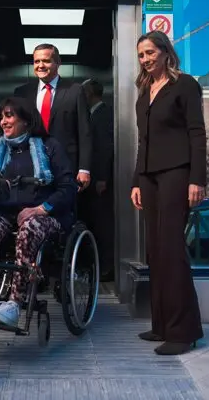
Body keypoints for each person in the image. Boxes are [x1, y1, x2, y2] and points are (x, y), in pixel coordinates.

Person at [130, 30, 207, 356]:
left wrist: (197, 179)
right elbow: (142, 142)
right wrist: (135, 180)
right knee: (155, 251)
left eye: (149, 53)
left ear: (165, 52)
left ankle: (183, 331)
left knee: (172, 250)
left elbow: (197, 133)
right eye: (141, 56)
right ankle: (161, 324)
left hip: (177, 173)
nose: (145, 60)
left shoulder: (185, 84)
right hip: (148, 178)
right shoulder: (144, 91)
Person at [0, 97, 77, 327]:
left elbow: (68, 188)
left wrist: (40, 209)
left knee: (30, 227)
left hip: (46, 216)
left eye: (9, 116)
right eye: (1, 117)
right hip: (6, 216)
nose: (3, 122)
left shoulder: (50, 147)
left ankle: (14, 303)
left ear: (26, 120)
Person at [14, 43, 93, 192]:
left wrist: (84, 169)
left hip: (65, 165)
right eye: (37, 61)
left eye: (46, 61)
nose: (40, 65)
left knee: (64, 210)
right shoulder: (22, 93)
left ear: (58, 63)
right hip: (30, 165)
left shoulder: (75, 91)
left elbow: (85, 132)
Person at [81, 78, 115, 282]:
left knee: (103, 225)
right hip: (93, 181)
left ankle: (106, 267)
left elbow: (104, 148)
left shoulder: (102, 115)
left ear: (89, 94)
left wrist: (102, 177)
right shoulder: (94, 114)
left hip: (100, 181)